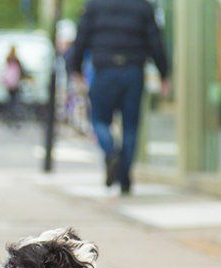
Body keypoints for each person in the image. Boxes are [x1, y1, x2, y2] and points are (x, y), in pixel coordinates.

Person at [67, 0, 169, 195]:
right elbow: (155, 41)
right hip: (133, 71)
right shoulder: (143, 6)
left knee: (98, 120)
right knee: (130, 127)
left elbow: (82, 37)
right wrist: (164, 73)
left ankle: (111, 152)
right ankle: (124, 178)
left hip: (105, 70)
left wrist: (75, 67)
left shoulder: (95, 5)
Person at [2, 46, 24, 125]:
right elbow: (21, 71)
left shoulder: (8, 58)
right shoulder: (16, 60)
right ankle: (13, 116)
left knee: (9, 100)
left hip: (9, 83)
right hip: (15, 83)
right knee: (15, 101)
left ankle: (7, 116)